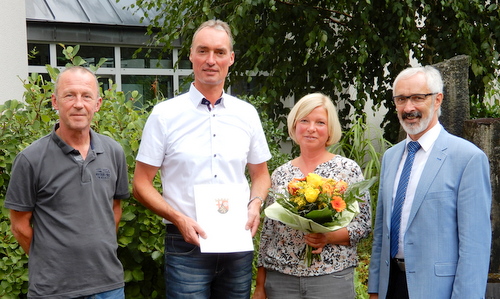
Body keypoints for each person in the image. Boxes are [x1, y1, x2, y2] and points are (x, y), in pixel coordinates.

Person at [132, 19, 272, 298]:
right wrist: (178, 218)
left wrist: (255, 204)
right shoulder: (165, 115)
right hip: (186, 244)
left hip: (236, 242)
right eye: (203, 51)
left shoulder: (246, 114)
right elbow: (140, 184)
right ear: (191, 56)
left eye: (219, 52)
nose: (211, 60)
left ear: (230, 58)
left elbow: (260, 174)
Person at [5, 66, 129, 298]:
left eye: (86, 96)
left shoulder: (114, 152)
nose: (79, 104)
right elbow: (19, 226)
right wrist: (52, 263)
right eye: (69, 95)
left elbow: (114, 209)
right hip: (52, 289)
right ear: (55, 101)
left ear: (98, 104)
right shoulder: (30, 159)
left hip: (108, 286)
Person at [368, 66, 492, 298]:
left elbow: (475, 247)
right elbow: (381, 232)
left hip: (438, 290)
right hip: (391, 285)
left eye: (418, 97)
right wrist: (375, 288)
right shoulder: (391, 157)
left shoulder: (467, 158)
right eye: (401, 99)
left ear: (437, 100)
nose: (409, 107)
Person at [253, 93, 372, 299]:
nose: (311, 128)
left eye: (320, 122)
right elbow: (268, 233)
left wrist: (327, 236)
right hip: (281, 281)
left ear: (330, 129)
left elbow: (363, 225)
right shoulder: (281, 174)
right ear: (294, 125)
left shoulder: (346, 170)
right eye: (304, 121)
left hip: (331, 278)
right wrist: (260, 286)